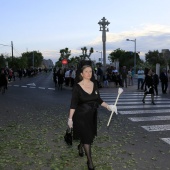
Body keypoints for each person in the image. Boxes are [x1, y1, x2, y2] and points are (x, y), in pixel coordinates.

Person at [67, 65, 115, 170]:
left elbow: (98, 99)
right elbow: (73, 104)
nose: (89, 73)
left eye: (90, 71)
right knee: (87, 139)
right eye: (86, 71)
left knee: (89, 135)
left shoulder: (94, 84)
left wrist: (108, 106)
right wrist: (70, 119)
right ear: (81, 74)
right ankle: (90, 162)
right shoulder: (77, 87)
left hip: (92, 115)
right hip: (81, 116)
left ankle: (80, 146)